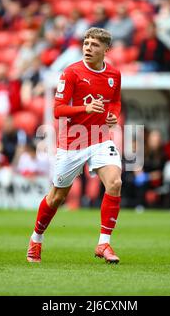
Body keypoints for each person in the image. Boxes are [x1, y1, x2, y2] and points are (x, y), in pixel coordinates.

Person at [26, 28, 122, 264]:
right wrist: (84, 109)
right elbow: (58, 110)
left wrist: (112, 116)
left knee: (115, 182)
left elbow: (116, 102)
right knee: (57, 197)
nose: (88, 48)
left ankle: (103, 243)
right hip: (73, 141)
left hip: (100, 137)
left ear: (106, 50)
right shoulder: (71, 73)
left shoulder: (114, 75)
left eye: (94, 45)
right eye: (86, 43)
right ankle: (36, 239)